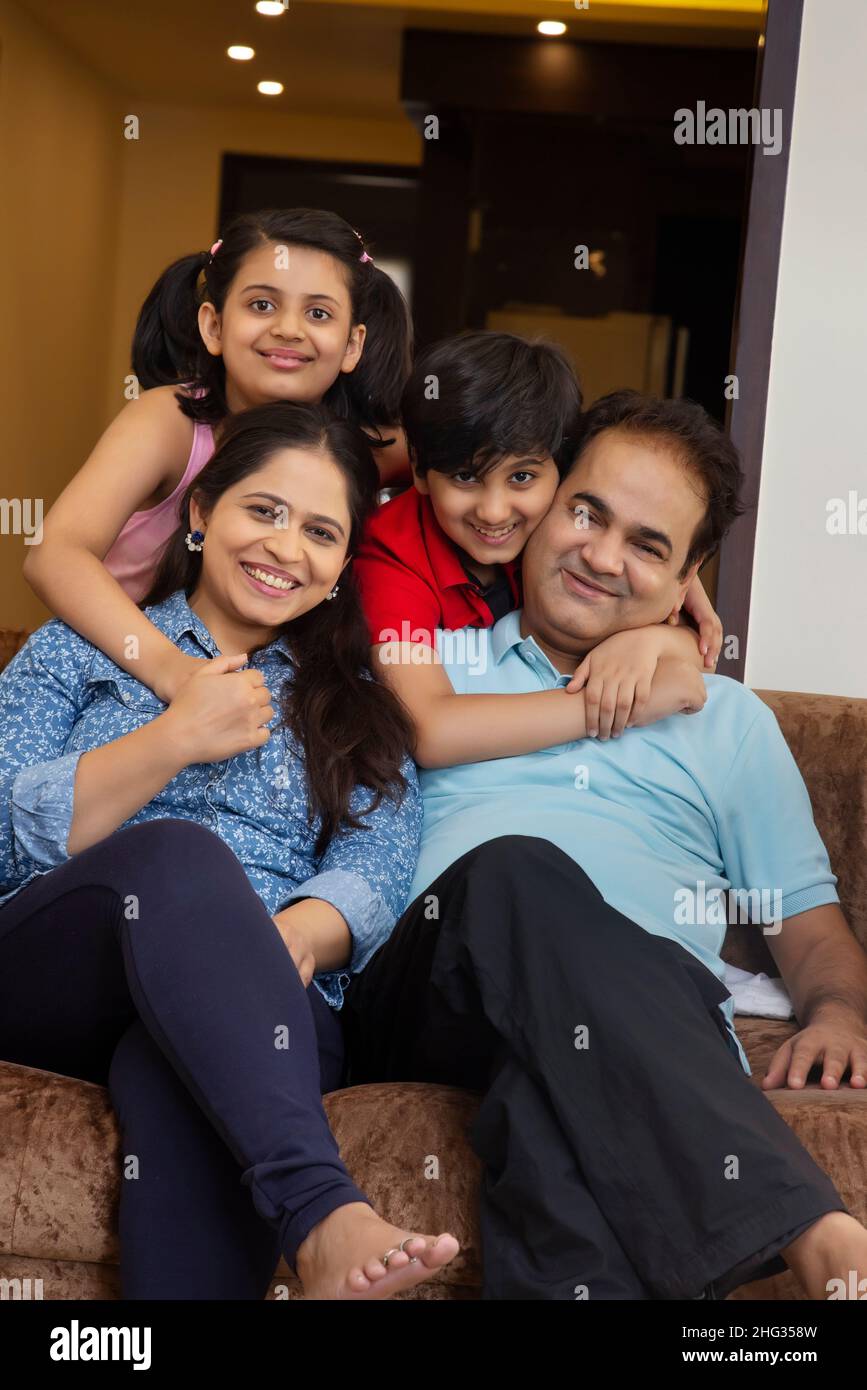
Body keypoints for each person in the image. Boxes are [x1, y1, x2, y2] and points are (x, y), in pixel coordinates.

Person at [341, 390, 867, 1300]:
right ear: (543, 499)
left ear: (685, 578)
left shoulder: (725, 719)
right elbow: (336, 467)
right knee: (518, 869)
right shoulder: (423, 663)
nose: (600, 556)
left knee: (551, 1112)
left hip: (622, 1023)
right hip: (425, 988)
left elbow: (809, 932)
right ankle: (808, 1225)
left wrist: (840, 1015)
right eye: (586, 512)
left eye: (647, 547)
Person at [0, 401, 458, 1300]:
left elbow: (376, 865)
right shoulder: (78, 647)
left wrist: (295, 934)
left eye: (322, 532)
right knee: (177, 855)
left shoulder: (358, 706)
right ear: (202, 510)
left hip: (259, 1001)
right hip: (55, 971)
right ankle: (321, 1210)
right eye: (265, 510)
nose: (287, 548)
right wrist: (170, 738)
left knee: (181, 1058)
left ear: (339, 569)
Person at [23, 208, 413, 708]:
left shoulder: (357, 452)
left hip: (250, 692)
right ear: (213, 324)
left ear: (352, 344)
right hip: (115, 676)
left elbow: (477, 461)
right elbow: (54, 554)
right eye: (262, 304)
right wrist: (170, 668)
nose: (289, 329)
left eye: (318, 313)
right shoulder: (169, 422)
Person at [355, 331, 724, 768]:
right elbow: (428, 732)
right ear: (419, 469)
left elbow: (694, 661)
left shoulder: (559, 527)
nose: (494, 513)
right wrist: (608, 708)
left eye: (522, 478)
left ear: (561, 468)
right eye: (465, 477)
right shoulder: (389, 557)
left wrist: (655, 636)